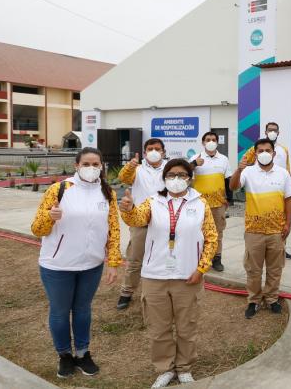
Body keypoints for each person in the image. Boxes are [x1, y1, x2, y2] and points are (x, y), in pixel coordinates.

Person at [119, 158, 218, 388]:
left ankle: (184, 368)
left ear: (189, 178)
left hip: (188, 277)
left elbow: (211, 238)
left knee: (186, 327)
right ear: (164, 178)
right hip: (155, 276)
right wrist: (129, 209)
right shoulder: (153, 201)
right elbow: (137, 219)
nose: (176, 179)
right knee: (159, 328)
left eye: (182, 175)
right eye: (171, 175)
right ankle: (165, 368)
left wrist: (201, 269)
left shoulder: (200, 203)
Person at [31, 147, 121, 379]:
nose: (91, 168)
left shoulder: (107, 193)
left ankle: (82, 353)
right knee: (60, 312)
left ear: (102, 166)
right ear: (76, 166)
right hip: (58, 265)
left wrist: (113, 262)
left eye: (96, 164)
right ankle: (64, 355)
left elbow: (113, 229)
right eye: (86, 164)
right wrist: (49, 217)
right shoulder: (59, 189)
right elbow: (37, 229)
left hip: (91, 265)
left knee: (82, 310)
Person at [230, 138, 291, 318]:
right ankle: (254, 300)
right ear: (255, 153)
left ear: (274, 153)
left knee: (275, 269)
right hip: (254, 231)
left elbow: (288, 200)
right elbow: (233, 187)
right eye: (260, 150)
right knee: (253, 269)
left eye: (268, 150)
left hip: (277, 231)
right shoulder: (248, 171)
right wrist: (239, 169)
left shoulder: (283, 173)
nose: (264, 153)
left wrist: (288, 223)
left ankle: (272, 299)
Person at [116, 138, 167, 310]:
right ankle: (127, 291)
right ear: (145, 153)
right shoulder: (137, 169)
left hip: (164, 222)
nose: (154, 152)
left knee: (163, 258)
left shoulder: (169, 168)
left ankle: (159, 292)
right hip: (140, 222)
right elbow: (123, 177)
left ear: (163, 152)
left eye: (157, 149)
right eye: (150, 149)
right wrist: (130, 166)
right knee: (135, 260)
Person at [243, 122, 291, 259]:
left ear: (278, 132)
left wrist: (289, 184)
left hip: (279, 187)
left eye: (275, 130)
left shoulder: (283, 150)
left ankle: (282, 246)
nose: (272, 132)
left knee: (280, 220)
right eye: (270, 130)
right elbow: (245, 162)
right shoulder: (254, 148)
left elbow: (287, 167)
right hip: (261, 188)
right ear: (265, 132)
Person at [189, 131, 232, 272]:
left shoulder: (223, 159)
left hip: (218, 204)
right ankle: (200, 258)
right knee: (199, 232)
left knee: (218, 232)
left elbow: (228, 180)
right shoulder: (196, 158)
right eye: (208, 139)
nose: (211, 142)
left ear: (217, 142)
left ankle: (216, 259)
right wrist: (194, 164)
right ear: (203, 142)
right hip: (199, 204)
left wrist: (229, 199)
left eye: (213, 139)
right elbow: (185, 173)